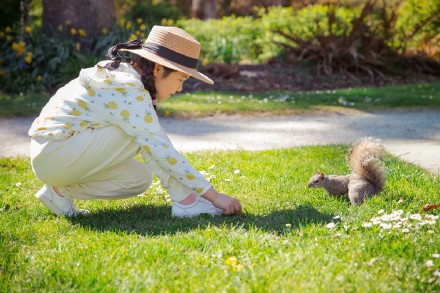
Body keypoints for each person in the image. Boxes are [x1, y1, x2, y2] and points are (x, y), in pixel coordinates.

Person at [28, 25, 243, 218]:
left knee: (139, 178)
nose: (179, 89)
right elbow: (160, 147)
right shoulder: (127, 89)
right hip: (55, 152)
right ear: (158, 69)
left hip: (57, 154)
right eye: (180, 79)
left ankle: (58, 192)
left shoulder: (125, 79)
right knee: (143, 135)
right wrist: (215, 197)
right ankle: (186, 203)